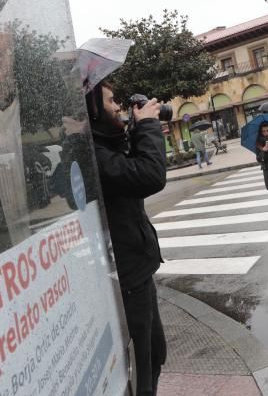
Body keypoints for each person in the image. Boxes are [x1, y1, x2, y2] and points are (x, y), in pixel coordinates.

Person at [86, 79, 168, 396]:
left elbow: (131, 168)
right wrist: (147, 126)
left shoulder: (104, 146)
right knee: (140, 366)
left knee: (154, 353)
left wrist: (134, 130)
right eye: (110, 101)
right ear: (92, 110)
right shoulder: (93, 154)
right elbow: (148, 175)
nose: (118, 106)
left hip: (137, 269)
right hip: (126, 276)